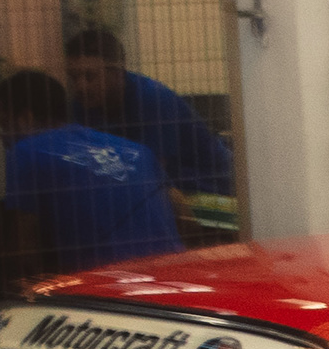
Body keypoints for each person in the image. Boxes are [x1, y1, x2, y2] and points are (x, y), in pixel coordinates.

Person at [0, 68, 180, 273]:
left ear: (26, 119)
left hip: (108, 282)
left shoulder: (25, 151)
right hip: (174, 271)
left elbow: (24, 249)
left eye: (3, 125)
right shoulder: (136, 150)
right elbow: (181, 209)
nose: (2, 136)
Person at [63, 26, 233, 216]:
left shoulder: (154, 99)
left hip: (212, 185)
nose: (80, 87)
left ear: (118, 72)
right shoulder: (81, 105)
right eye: (74, 78)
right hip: (160, 187)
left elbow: (151, 173)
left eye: (90, 77)